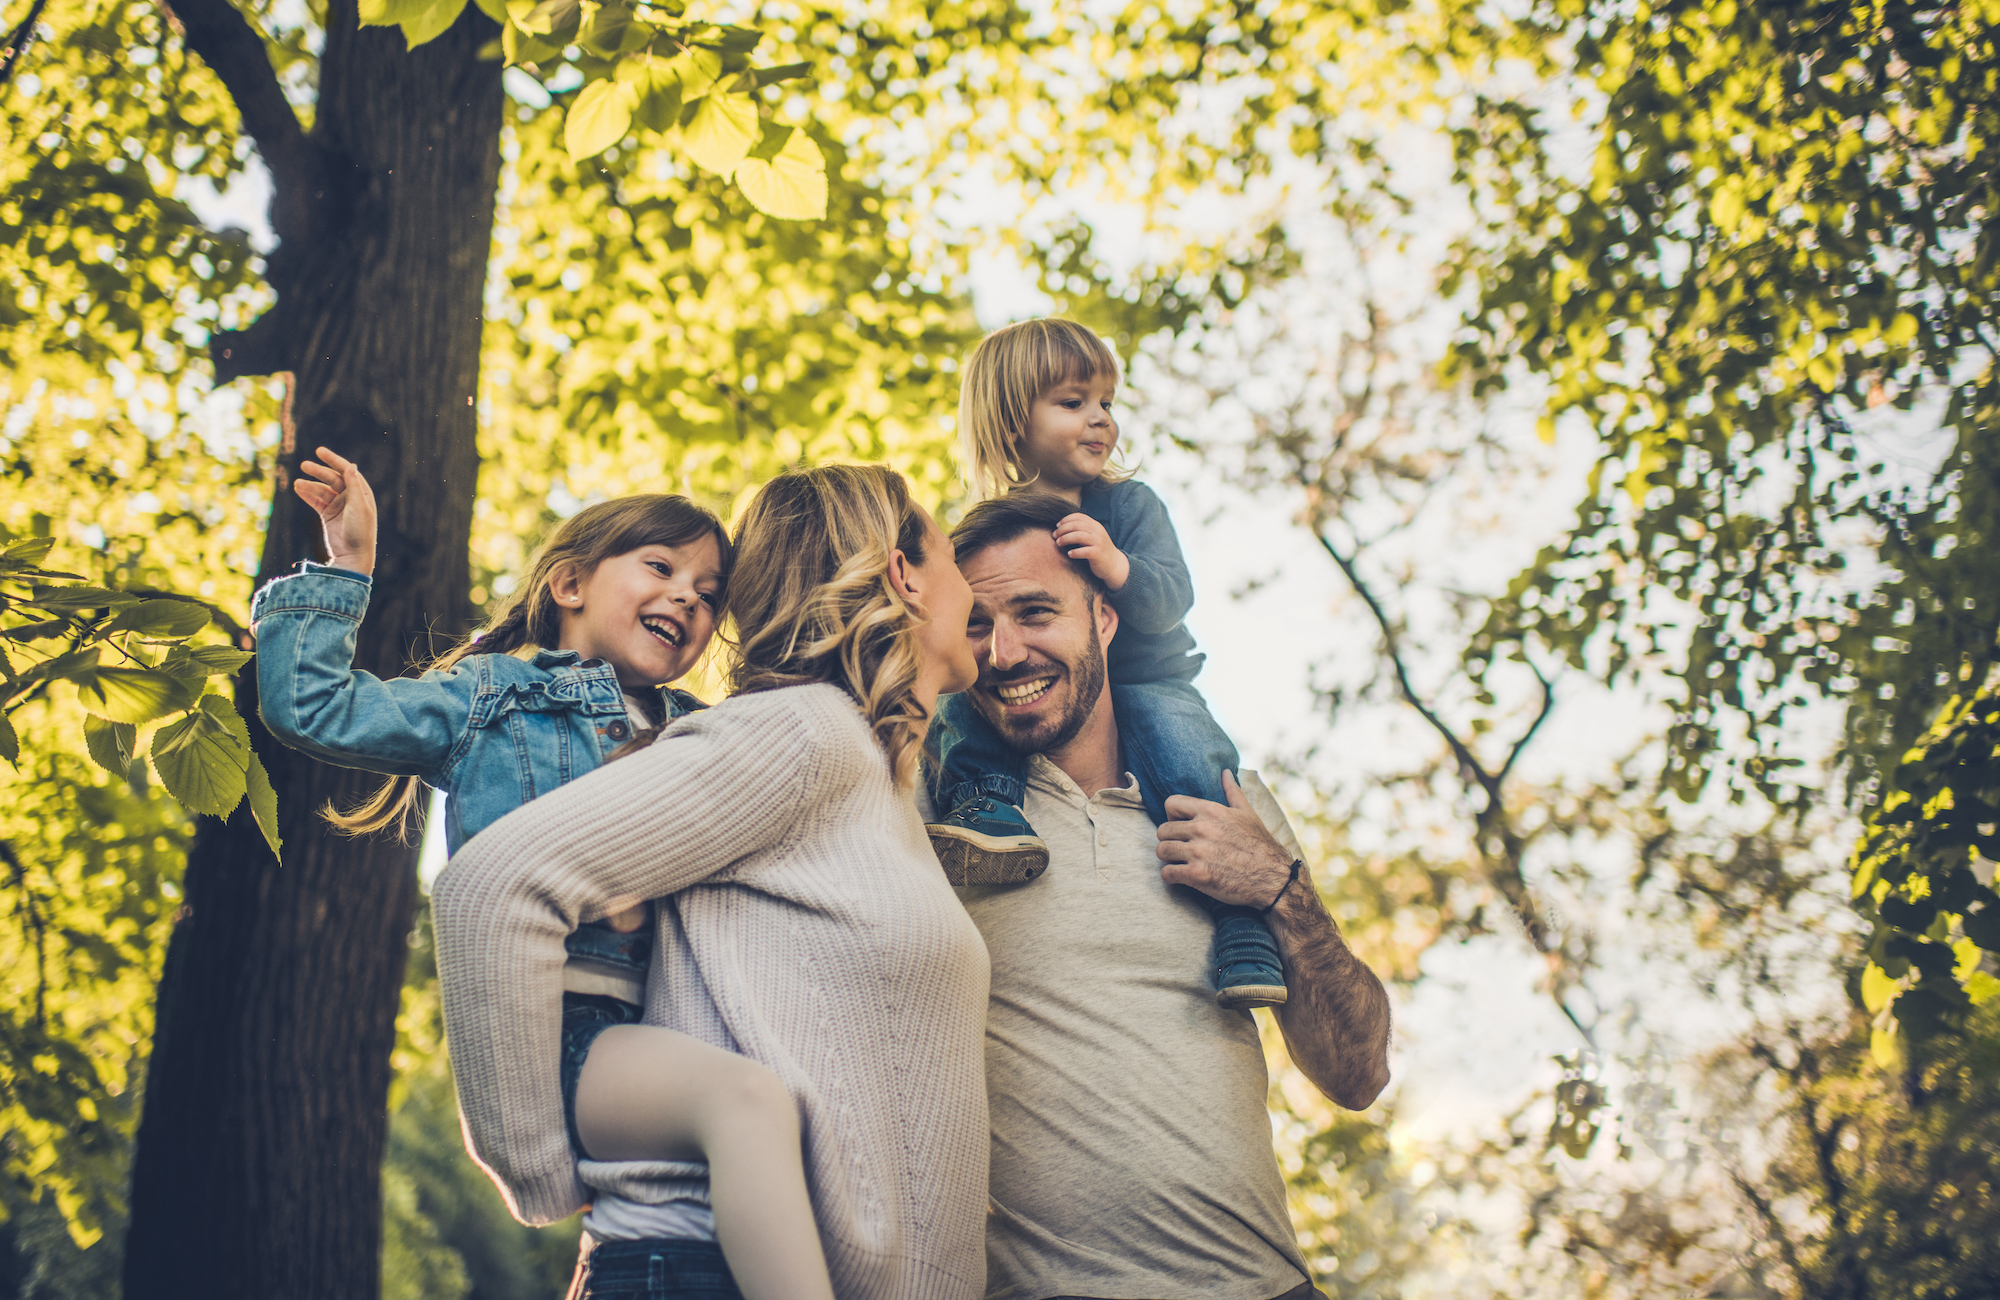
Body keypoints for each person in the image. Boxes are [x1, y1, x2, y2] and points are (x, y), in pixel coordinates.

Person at [251, 450, 838, 1300]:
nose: (688, 598)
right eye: (662, 567)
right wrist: (349, 567)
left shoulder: (702, 729)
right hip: (568, 1038)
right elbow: (313, 706)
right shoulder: (494, 697)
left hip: (672, 1021)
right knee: (745, 1105)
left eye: (710, 595)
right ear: (569, 585)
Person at [431, 464, 993, 1300]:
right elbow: (489, 885)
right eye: (954, 558)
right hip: (696, 1272)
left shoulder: (871, 771)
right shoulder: (800, 734)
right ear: (903, 574)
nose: (974, 595)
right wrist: (539, 1165)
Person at [936, 492, 1393, 1300]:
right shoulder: (943, 816)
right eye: (977, 624)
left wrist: (1280, 889)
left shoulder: (1225, 800)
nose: (1005, 652)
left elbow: (1356, 1072)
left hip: (1266, 1286)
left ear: (1106, 620)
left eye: (1036, 612)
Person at [925, 318, 1289, 1010]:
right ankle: (986, 808)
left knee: (1189, 756)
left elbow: (1173, 598)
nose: (1100, 420)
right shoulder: (988, 531)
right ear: (1009, 424)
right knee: (958, 708)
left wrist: (1116, 566)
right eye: (1073, 403)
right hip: (1043, 696)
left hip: (1147, 680)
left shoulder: (1128, 506)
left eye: (1107, 403)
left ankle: (1241, 926)